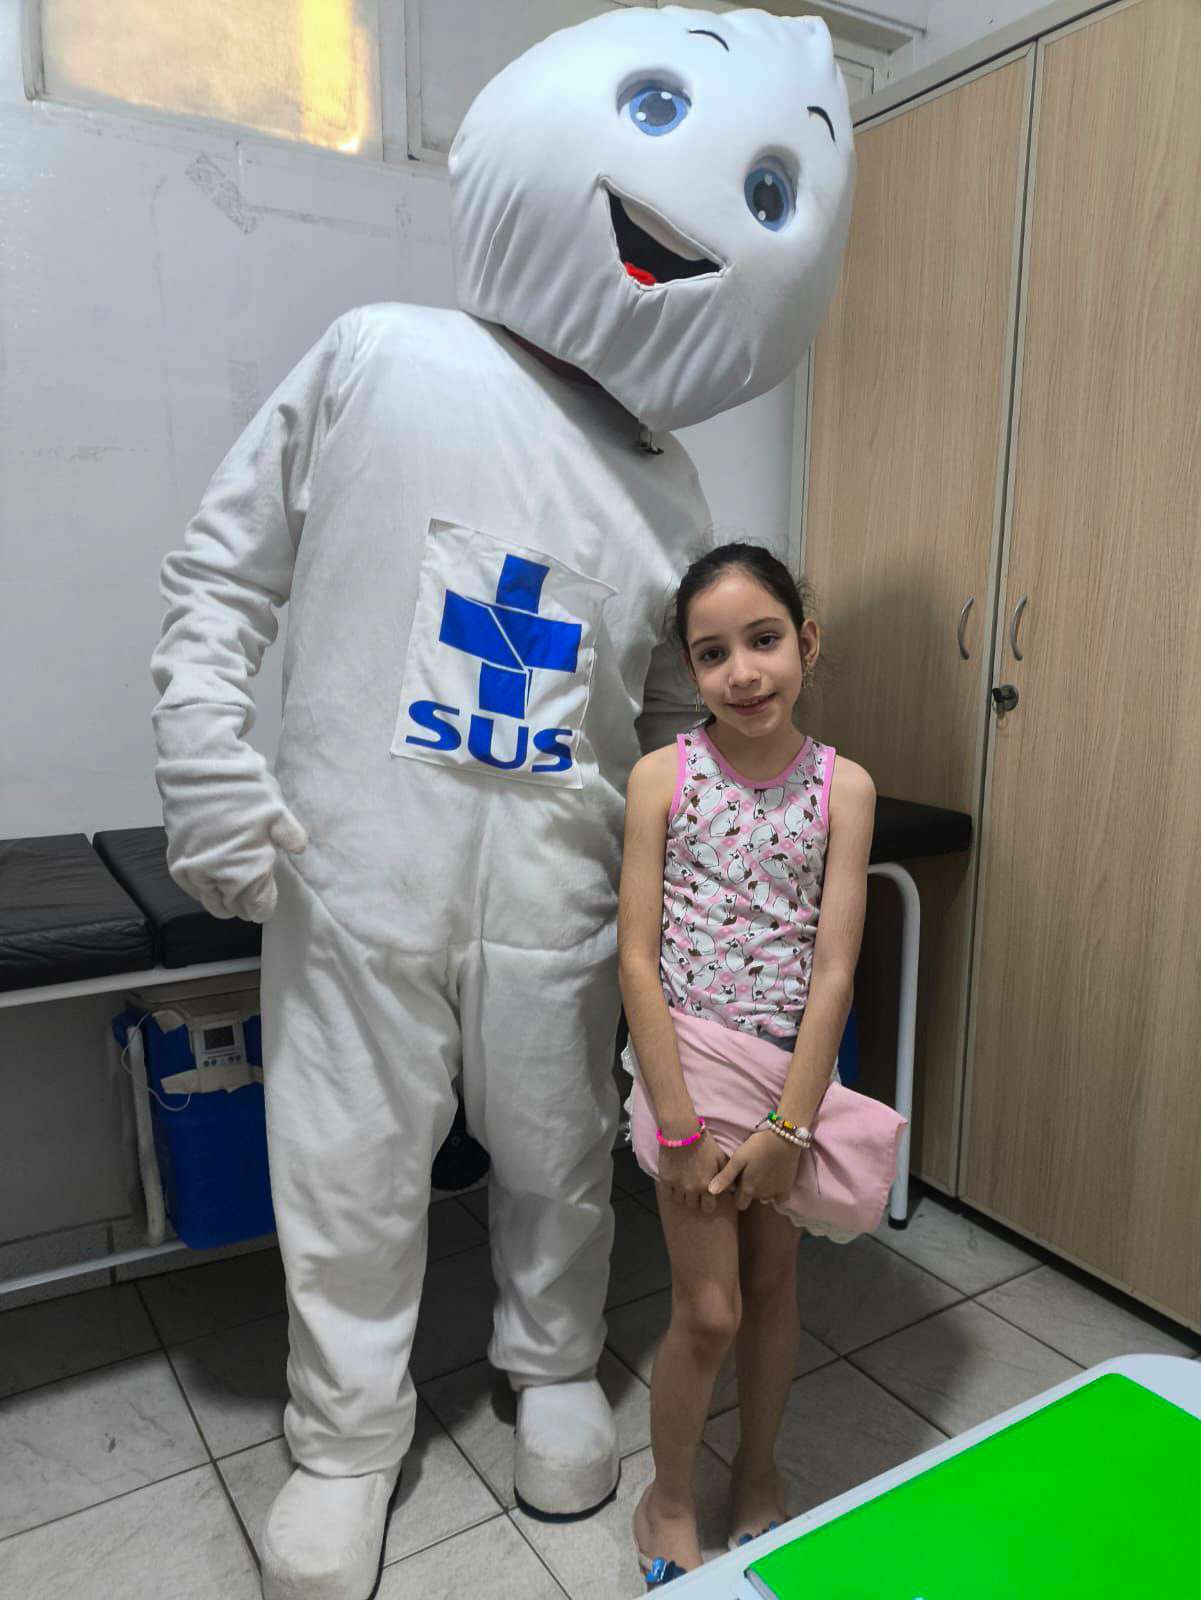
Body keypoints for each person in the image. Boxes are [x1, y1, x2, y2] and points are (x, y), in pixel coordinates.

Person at [150, 11, 855, 1599]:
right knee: (345, 1157)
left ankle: (549, 1367)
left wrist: (704, 924)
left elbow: (671, 728)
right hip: (356, 863)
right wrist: (206, 758)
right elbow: (220, 573)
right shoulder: (379, 354)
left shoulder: (669, 488)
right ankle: (346, 1438)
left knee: (556, 1152)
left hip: (561, 886)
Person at [617, 543, 876, 1586]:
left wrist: (789, 1128)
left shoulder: (844, 787)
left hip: (787, 1086)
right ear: (689, 669)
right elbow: (635, 960)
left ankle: (758, 1472)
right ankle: (667, 1498)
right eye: (712, 653)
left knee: (771, 1291)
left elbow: (835, 970)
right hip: (684, 1078)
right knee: (710, 1308)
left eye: (763, 640)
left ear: (804, 642)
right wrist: (678, 1125)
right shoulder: (661, 776)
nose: (743, 672)